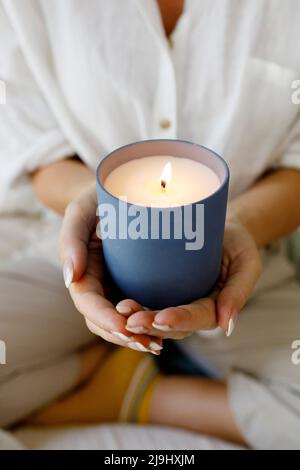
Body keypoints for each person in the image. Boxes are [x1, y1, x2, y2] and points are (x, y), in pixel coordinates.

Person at [0, 0, 300, 449]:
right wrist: (94, 203)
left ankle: (132, 391)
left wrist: (236, 223)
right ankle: (94, 363)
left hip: (239, 259)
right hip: (81, 250)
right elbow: (37, 148)